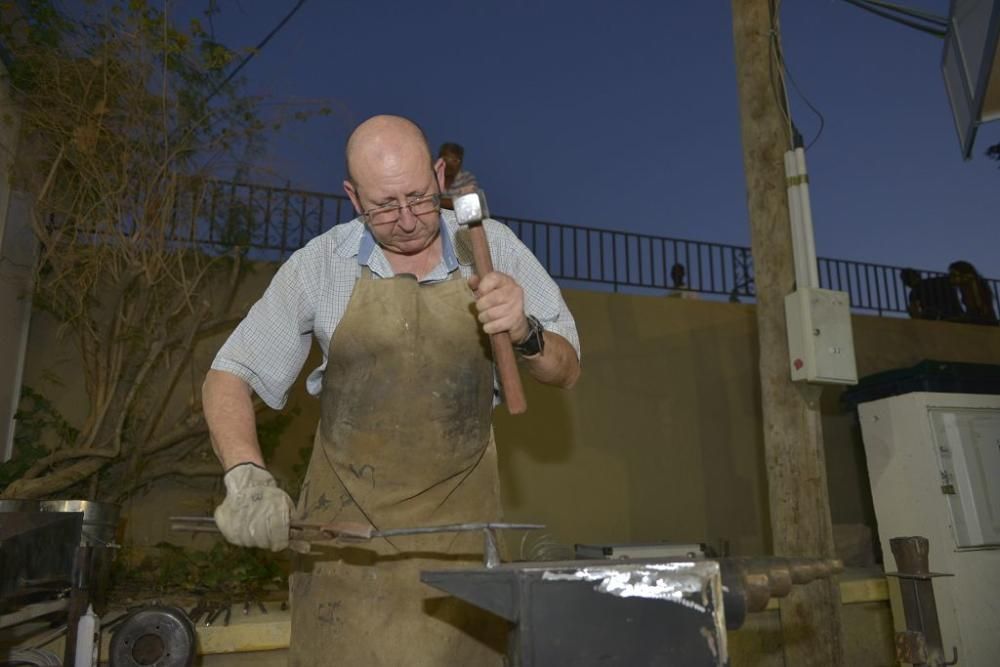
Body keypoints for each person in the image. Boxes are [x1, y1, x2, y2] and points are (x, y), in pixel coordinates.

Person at [202, 114, 581, 666]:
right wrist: (244, 475)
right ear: (353, 197)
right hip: (343, 546)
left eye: (418, 197)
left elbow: (567, 369)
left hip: (460, 546)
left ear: (438, 174)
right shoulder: (319, 266)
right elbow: (230, 372)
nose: (405, 220)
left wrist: (525, 332)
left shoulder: (491, 247)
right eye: (383, 206)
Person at [948, 260, 999, 325]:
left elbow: (979, 303)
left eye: (954, 275)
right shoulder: (965, 286)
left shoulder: (974, 284)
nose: (951, 278)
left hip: (982, 318)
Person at [438, 141, 479, 208]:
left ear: (461, 162)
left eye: (454, 160)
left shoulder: (467, 178)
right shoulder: (432, 178)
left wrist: (436, 201)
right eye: (446, 159)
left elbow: (468, 204)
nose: (449, 164)